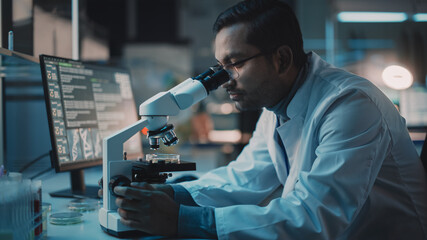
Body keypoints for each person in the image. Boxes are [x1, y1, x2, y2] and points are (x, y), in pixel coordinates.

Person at [111, 0, 427, 239]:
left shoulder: (351, 105)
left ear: (282, 58)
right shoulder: (277, 105)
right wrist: (173, 195)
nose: (225, 80)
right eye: (220, 67)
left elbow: (316, 217)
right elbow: (244, 179)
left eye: (234, 64)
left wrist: (181, 219)